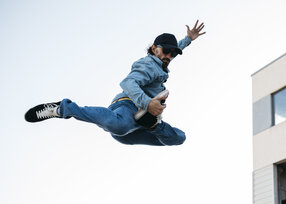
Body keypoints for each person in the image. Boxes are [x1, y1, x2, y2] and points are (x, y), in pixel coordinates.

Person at [25, 20, 206, 146]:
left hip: (130, 131)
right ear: (154, 49)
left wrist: (188, 39)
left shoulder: (163, 61)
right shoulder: (150, 64)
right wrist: (147, 102)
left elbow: (175, 49)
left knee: (179, 138)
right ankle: (62, 108)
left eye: (172, 54)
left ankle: (151, 124)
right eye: (166, 51)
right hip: (128, 107)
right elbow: (128, 82)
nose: (169, 56)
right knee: (119, 126)